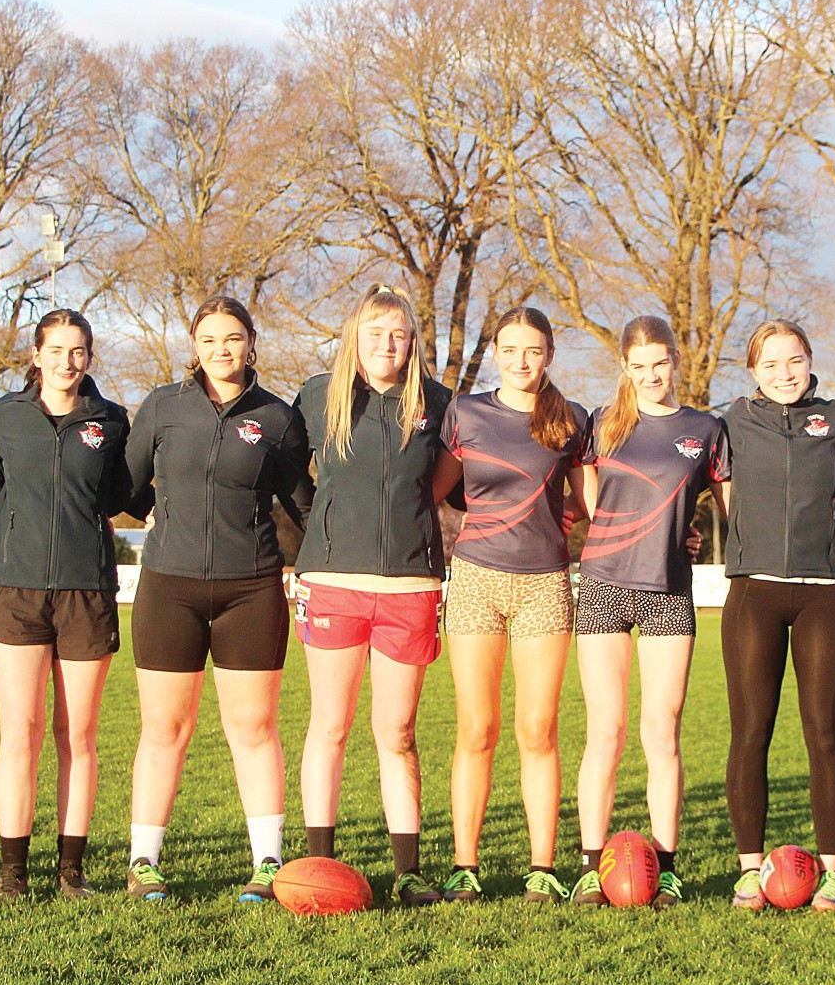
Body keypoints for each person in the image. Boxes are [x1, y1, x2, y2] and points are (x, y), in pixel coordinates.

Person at [120, 296, 313, 903]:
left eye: (232, 338)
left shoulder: (277, 419)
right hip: (168, 589)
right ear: (195, 345)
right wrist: (161, 517)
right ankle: (144, 862)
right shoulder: (162, 406)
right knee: (164, 728)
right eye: (209, 339)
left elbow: (304, 505)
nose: (221, 350)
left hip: (251, 589)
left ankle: (267, 862)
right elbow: (123, 488)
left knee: (253, 727)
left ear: (251, 343)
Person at [292, 284, 459, 906]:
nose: (388, 345)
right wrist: (323, 525)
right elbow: (283, 475)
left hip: (411, 585)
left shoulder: (439, 404)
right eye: (375, 333)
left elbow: (450, 484)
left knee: (398, 731)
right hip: (334, 582)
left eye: (400, 334)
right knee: (330, 726)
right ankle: (317, 865)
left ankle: (408, 872)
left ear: (413, 341)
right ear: (353, 338)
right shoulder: (317, 395)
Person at [568, 316, 731, 911]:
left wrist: (677, 535)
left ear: (675, 360)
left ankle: (666, 867)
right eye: (638, 367)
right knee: (605, 733)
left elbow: (726, 506)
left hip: (667, 588)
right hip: (606, 584)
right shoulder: (600, 425)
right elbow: (590, 501)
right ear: (625, 369)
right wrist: (626, 534)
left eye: (659, 363)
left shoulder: (705, 429)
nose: (651, 375)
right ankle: (590, 866)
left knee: (661, 733)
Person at [0, 309, 133, 900]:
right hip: (14, 589)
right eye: (57, 350)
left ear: (88, 358)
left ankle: (71, 870)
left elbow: (124, 493)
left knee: (79, 735)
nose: (68, 361)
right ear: (35, 356)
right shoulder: (5, 416)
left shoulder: (111, 421)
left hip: (86, 591)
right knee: (21, 729)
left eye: (79, 351)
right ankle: (11, 872)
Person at [439, 308, 587, 905]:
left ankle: (542, 867)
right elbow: (432, 496)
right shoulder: (466, 413)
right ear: (495, 351)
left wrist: (668, 534)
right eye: (510, 349)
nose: (521, 360)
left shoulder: (570, 420)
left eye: (533, 350)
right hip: (475, 579)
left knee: (538, 728)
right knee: (477, 729)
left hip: (545, 585)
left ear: (548, 354)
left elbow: (594, 504)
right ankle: (465, 866)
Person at [718, 320, 835, 912]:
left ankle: (831, 873)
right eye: (772, 363)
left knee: (825, 734)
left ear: (811, 362)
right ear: (753, 370)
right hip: (754, 594)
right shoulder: (728, 423)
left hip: (824, 596)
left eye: (795, 360)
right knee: (750, 733)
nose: (785, 373)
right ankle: (750, 870)